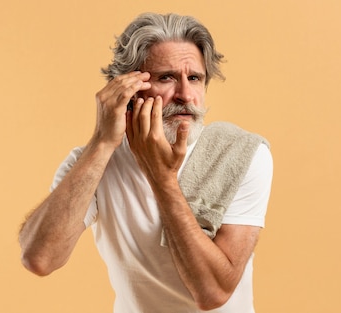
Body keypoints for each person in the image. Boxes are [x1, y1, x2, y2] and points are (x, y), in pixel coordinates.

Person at [18, 12, 273, 313]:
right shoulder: (93, 162)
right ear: (128, 88)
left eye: (195, 78)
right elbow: (40, 258)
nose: (186, 95)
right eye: (166, 77)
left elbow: (213, 292)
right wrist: (102, 143)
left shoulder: (242, 154)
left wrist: (162, 178)